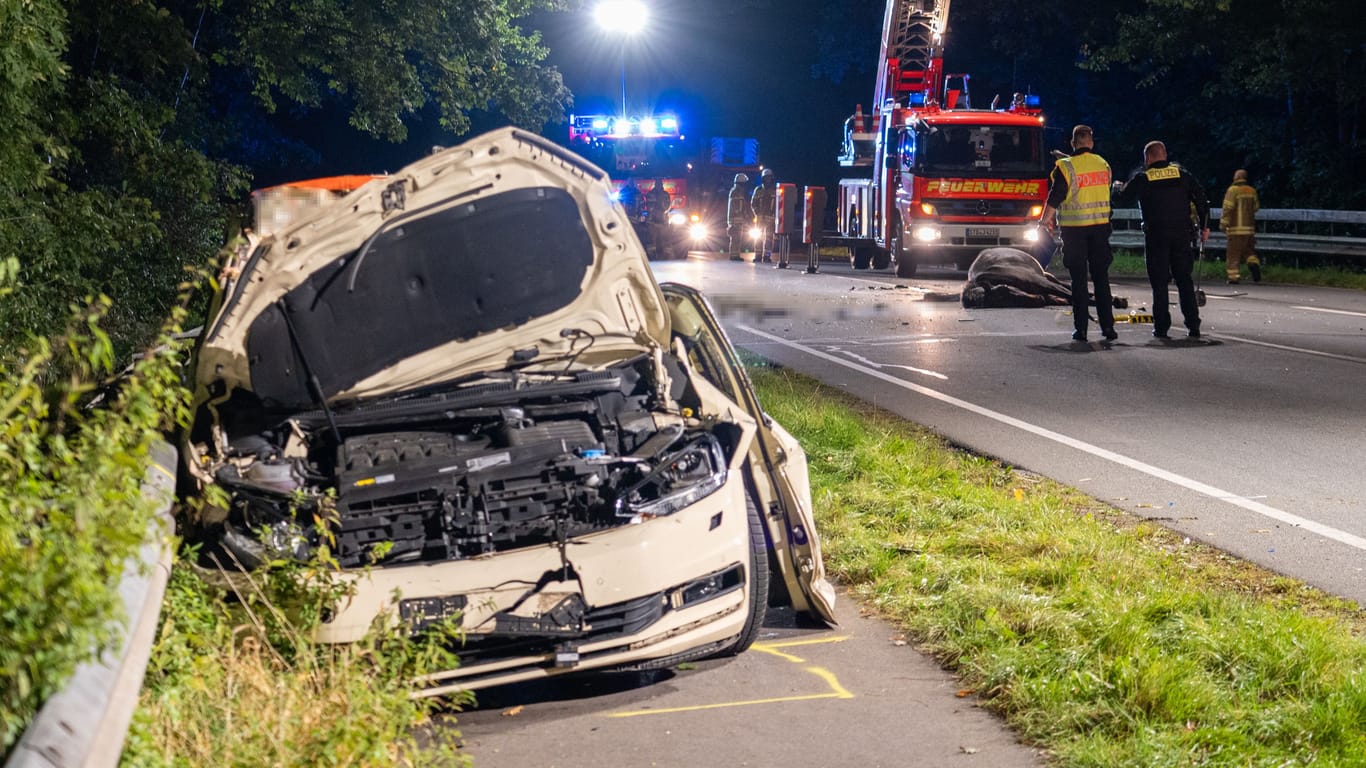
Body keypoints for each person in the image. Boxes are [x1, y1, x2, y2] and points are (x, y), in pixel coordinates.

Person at [1114, 140, 1210, 338]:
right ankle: (1193, 325)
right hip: (1182, 234)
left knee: (1159, 283)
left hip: (1156, 236)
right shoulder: (1182, 175)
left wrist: (1116, 188)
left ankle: (1161, 327)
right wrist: (1205, 226)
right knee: (1184, 280)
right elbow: (1201, 198)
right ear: (1164, 155)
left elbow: (1122, 199)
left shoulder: (1143, 178)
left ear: (1147, 158)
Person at [1039, 124, 1117, 343]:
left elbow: (1056, 196)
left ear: (1073, 143)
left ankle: (1081, 330)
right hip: (1100, 229)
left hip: (1074, 231)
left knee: (1079, 281)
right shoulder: (1104, 164)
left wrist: (1044, 221)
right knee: (1102, 279)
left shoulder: (1065, 166)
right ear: (1091, 142)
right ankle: (1108, 328)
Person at [1221, 169, 1261, 284]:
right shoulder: (1251, 191)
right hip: (1249, 230)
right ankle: (1254, 264)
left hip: (1235, 230)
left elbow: (1228, 208)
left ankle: (1233, 278)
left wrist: (1224, 224)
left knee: (1233, 254)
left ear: (1236, 177)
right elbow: (1256, 207)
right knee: (1249, 252)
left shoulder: (1232, 190)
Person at [750, 168, 778, 263]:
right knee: (758, 237)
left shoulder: (775, 190)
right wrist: (757, 212)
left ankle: (767, 256)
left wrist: (775, 214)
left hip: (771, 219)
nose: (768, 180)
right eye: (766, 178)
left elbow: (778, 205)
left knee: (769, 238)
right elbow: (753, 203)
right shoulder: (758, 190)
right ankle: (758, 255)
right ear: (763, 178)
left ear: (772, 178)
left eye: (769, 178)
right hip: (760, 219)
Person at [643, 178, 672, 259]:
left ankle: (664, 255)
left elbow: (668, 205)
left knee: (664, 238)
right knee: (652, 240)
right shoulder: (650, 194)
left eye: (660, 184)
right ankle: (652, 256)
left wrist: (663, 211)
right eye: (657, 184)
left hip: (663, 221)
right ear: (655, 184)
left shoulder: (665, 194)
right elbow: (648, 205)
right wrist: (654, 212)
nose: (659, 185)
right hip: (652, 221)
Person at [726, 172, 752, 260]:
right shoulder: (736, 192)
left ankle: (735, 255)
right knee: (735, 239)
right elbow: (739, 207)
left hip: (737, 220)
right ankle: (734, 256)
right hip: (735, 220)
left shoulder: (736, 191)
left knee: (737, 239)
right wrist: (745, 215)